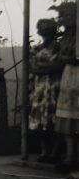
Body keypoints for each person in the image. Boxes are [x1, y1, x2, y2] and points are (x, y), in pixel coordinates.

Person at [29, 19, 63, 162]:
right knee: (39, 120)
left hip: (55, 87)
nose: (45, 33)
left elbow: (59, 66)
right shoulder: (36, 49)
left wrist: (43, 67)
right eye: (42, 30)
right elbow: (32, 68)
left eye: (48, 30)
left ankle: (55, 153)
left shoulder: (59, 47)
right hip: (40, 88)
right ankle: (44, 152)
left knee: (55, 119)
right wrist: (48, 67)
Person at [54, 10, 79, 172]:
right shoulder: (65, 40)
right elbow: (61, 57)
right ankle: (70, 157)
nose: (68, 30)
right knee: (68, 120)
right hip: (69, 76)